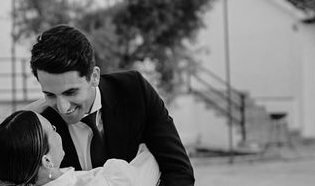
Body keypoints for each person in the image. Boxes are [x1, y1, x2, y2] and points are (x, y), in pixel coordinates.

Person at [28, 25, 194, 186]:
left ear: (94, 76)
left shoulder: (134, 91)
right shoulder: (43, 124)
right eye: (50, 94)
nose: (63, 107)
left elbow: (178, 171)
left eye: (70, 92)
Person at [0, 110, 160, 186]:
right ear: (47, 160)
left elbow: (5, 144)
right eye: (53, 129)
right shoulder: (104, 182)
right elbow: (153, 159)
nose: (59, 132)